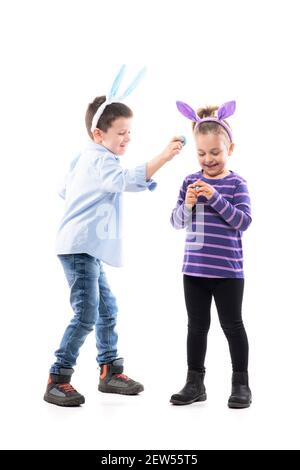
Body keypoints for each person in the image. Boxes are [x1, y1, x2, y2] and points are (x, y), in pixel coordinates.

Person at [44, 66, 183, 406]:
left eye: (129, 132)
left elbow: (64, 189)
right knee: (86, 314)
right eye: (121, 132)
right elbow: (122, 181)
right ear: (98, 134)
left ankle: (109, 370)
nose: (127, 138)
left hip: (85, 247)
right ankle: (58, 377)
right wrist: (163, 156)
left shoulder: (86, 157)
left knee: (107, 309)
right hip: (80, 248)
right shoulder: (100, 159)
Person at [170, 100, 252, 408]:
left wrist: (215, 197)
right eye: (202, 154)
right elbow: (176, 222)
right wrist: (188, 205)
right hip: (194, 271)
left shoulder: (236, 184)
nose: (208, 159)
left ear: (230, 149)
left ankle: (241, 384)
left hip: (229, 273)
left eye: (215, 152)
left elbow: (243, 221)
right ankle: (195, 383)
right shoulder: (189, 181)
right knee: (196, 327)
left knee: (232, 326)